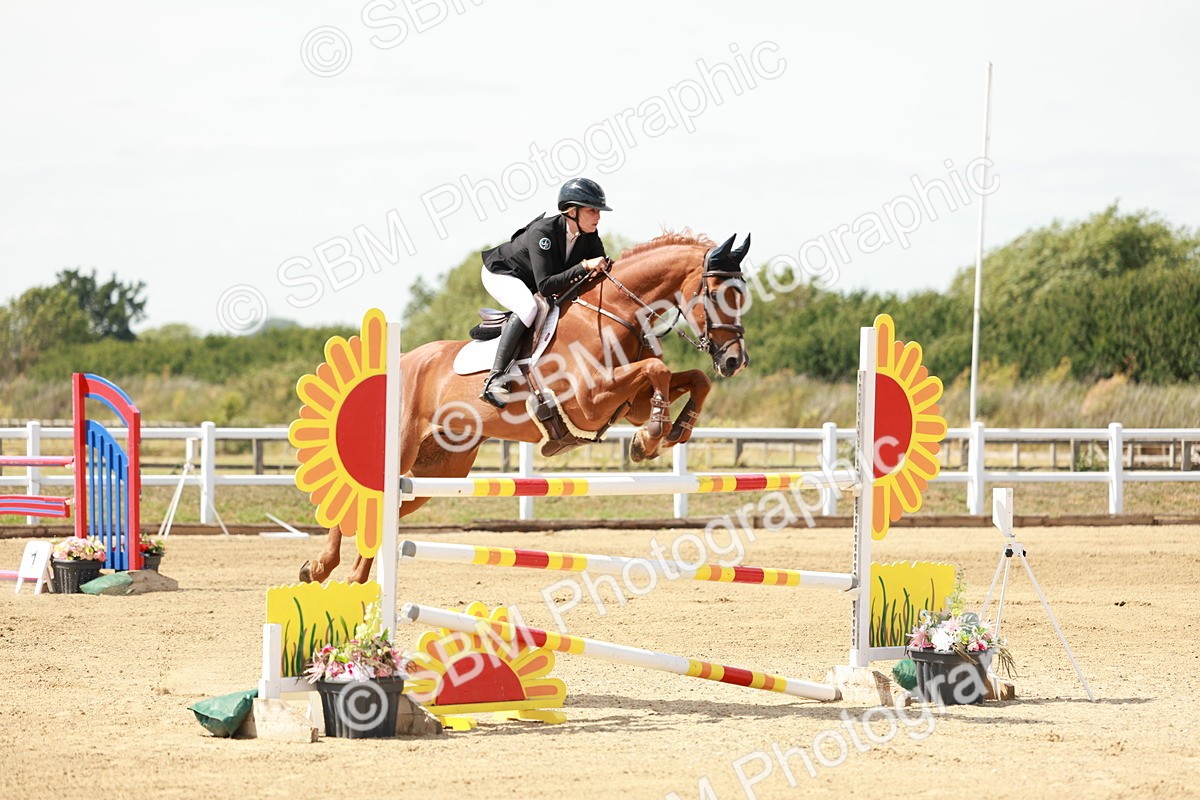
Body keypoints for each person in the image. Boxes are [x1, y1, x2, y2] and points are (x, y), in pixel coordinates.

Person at [478, 177, 612, 408]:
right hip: (502, 273)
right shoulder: (544, 233)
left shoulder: (590, 236)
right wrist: (584, 266)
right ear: (572, 211)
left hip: (533, 279)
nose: (598, 216)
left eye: (599, 211)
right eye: (592, 210)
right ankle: (494, 378)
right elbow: (546, 286)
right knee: (529, 307)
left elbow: (600, 273)